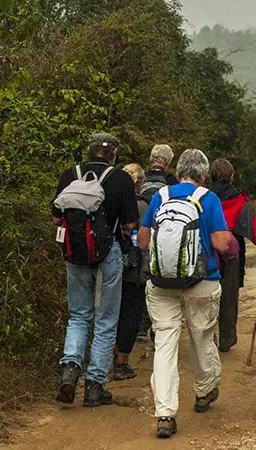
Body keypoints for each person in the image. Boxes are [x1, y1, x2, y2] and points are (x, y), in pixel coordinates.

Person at [137, 149, 237, 439]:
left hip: (161, 284)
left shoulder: (161, 196)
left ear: (179, 170)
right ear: (203, 174)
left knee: (165, 345)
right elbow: (220, 243)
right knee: (201, 336)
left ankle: (165, 413)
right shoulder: (208, 198)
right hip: (201, 282)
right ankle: (204, 391)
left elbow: (143, 241)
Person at [51, 133, 140, 407]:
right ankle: (94, 387)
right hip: (107, 255)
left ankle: (69, 373)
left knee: (78, 316)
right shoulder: (121, 179)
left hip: (75, 255)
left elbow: (56, 217)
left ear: (90, 152)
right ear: (113, 154)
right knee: (105, 320)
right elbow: (129, 226)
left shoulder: (70, 175)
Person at [209, 158, 256, 353]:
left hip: (209, 250)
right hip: (232, 254)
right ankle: (227, 338)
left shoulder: (206, 196)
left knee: (207, 294)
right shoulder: (238, 199)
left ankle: (208, 337)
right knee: (229, 296)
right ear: (231, 176)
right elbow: (247, 227)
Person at [112, 163, 149, 380]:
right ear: (139, 183)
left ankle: (107, 356)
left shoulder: (110, 201)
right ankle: (121, 361)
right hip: (135, 269)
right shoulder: (143, 206)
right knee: (131, 314)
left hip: (111, 265)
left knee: (111, 314)